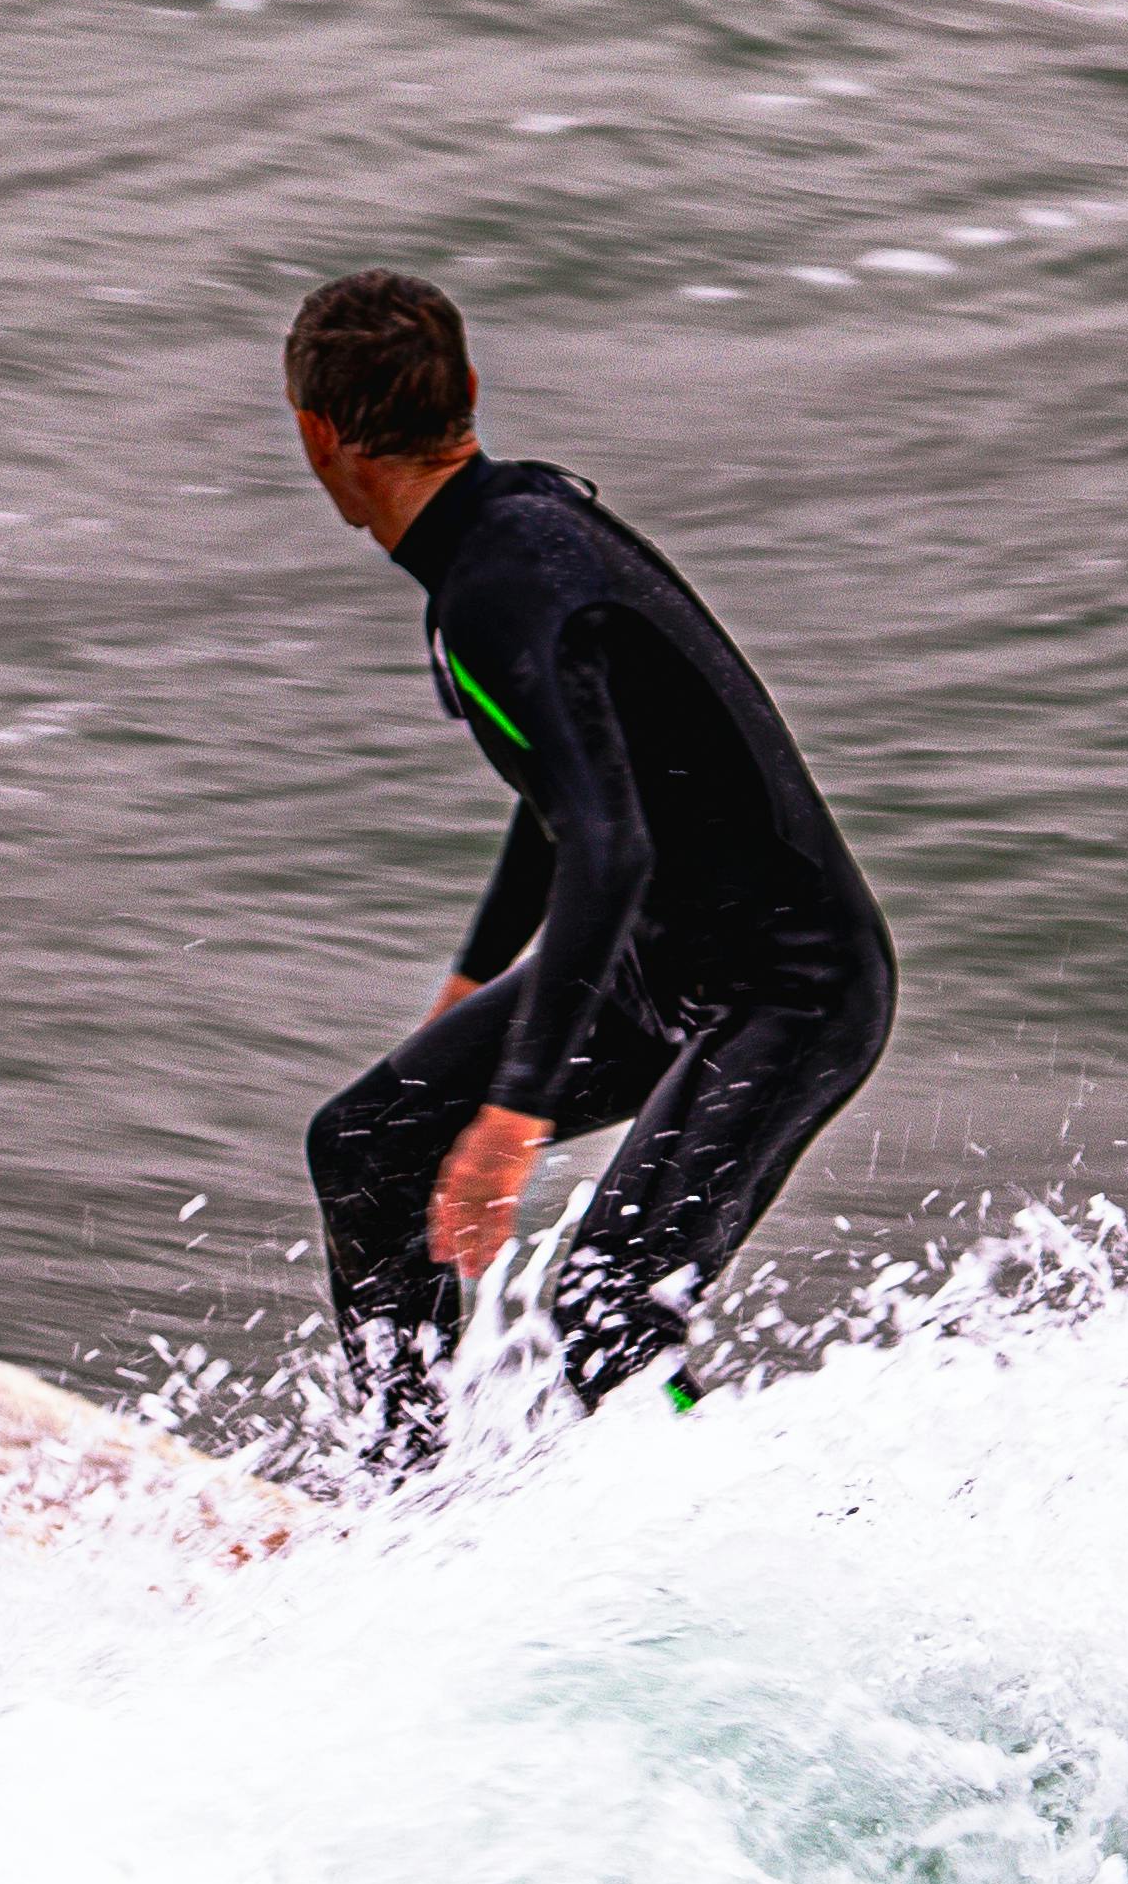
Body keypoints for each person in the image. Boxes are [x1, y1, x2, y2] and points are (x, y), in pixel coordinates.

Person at [285, 270, 894, 1461]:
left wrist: (512, 1115)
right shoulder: (503, 535)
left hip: (792, 987)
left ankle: (758, 1531)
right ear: (467, 391)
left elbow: (605, 848)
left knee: (605, 1311)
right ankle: (406, 1492)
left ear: (317, 436)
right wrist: (470, 993)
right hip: (666, 961)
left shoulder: (501, 585)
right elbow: (568, 796)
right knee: (367, 1143)